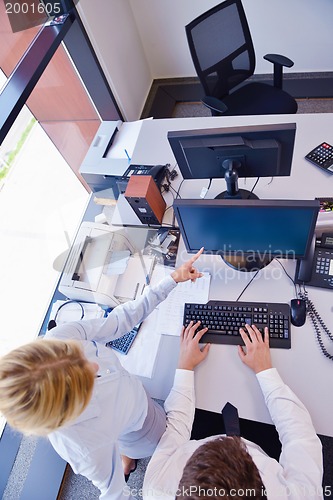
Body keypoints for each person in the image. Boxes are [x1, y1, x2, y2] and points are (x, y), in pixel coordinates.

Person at [0, 248, 204, 500]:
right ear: (68, 411)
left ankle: (123, 456)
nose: (95, 366)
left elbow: (118, 322)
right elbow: (114, 493)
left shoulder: (58, 338)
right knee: (139, 441)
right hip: (145, 426)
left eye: (78, 355)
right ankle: (125, 456)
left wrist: (170, 281)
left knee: (120, 441)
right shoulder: (84, 448)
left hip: (128, 406)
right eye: (85, 382)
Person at [143, 322, 324, 500]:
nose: (226, 440)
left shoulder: (156, 488)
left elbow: (175, 430)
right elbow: (299, 435)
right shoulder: (302, 494)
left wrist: (185, 366)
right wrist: (264, 370)